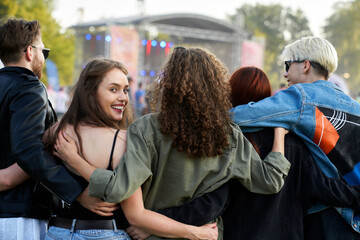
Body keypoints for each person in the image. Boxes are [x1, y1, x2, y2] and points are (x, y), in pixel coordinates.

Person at [54, 47, 291, 240]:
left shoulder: (145, 128)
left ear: (169, 85)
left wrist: (75, 160)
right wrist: (279, 135)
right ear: (216, 87)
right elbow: (270, 181)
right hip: (205, 235)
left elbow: (118, 189)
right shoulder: (229, 136)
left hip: (151, 235)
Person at [134, 66, 360, 240]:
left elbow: (212, 202)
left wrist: (152, 223)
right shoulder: (295, 144)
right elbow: (325, 188)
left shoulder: (230, 142)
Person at [44, 57, 218, 240]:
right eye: (113, 89)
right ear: (90, 92)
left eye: (126, 90)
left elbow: (36, 169)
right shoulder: (122, 141)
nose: (123, 98)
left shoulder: (56, 132)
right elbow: (136, 215)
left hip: (57, 232)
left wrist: (76, 191)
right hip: (106, 234)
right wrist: (196, 233)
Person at [229, 37, 360, 239]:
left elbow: (242, 116)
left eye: (288, 65)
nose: (285, 73)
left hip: (327, 216)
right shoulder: (355, 107)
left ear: (305, 65)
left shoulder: (300, 98)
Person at [0, 18, 98, 240]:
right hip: (18, 217)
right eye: (44, 52)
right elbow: (28, 149)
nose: (43, 59)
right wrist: (76, 191)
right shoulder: (28, 87)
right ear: (29, 52)